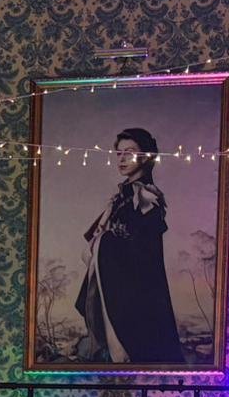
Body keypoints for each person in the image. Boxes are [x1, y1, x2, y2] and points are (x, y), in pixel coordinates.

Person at [73, 127, 185, 365]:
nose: (122, 159)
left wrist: (106, 242)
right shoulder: (121, 197)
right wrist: (101, 243)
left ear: (145, 157)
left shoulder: (146, 196)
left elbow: (144, 249)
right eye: (119, 153)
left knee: (137, 343)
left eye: (130, 152)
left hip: (135, 286)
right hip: (114, 280)